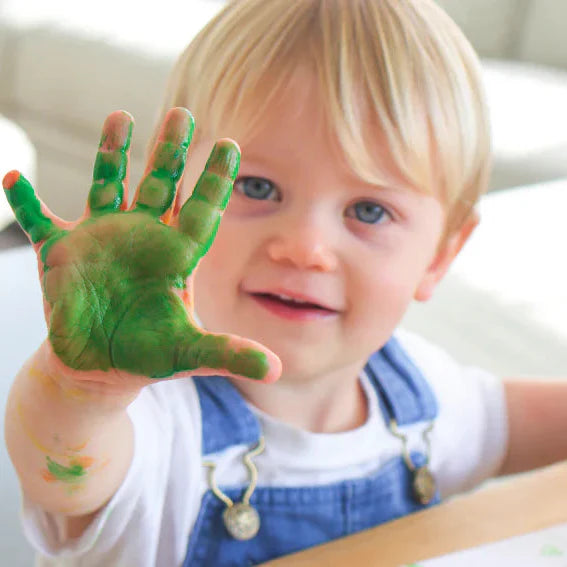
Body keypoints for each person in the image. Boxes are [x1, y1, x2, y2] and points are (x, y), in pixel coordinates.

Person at [4, 0, 567, 565]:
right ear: (177, 201)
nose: (304, 247)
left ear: (439, 257)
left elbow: (514, 422)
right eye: (256, 187)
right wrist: (83, 390)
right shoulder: (153, 418)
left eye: (368, 211)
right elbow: (63, 472)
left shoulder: (419, 397)